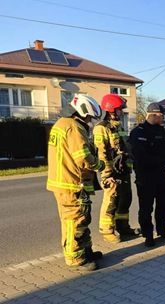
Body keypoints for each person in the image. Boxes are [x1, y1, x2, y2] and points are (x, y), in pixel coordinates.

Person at [46, 94, 105, 271]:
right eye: (89, 117)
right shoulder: (73, 127)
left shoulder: (62, 124)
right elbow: (83, 157)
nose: (90, 121)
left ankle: (85, 250)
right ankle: (75, 257)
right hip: (70, 183)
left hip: (66, 181)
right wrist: (100, 164)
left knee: (82, 217)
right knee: (74, 220)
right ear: (83, 111)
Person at [128, 103, 165, 247]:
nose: (164, 119)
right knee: (146, 207)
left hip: (161, 175)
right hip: (145, 176)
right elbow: (142, 157)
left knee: (163, 204)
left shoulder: (161, 131)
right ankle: (148, 235)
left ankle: (161, 230)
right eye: (162, 116)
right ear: (154, 115)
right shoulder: (138, 132)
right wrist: (164, 159)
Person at [93, 94, 140, 244]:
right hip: (111, 172)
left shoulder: (118, 126)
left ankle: (123, 226)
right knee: (111, 200)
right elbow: (102, 153)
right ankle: (107, 230)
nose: (122, 112)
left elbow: (125, 147)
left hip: (123, 170)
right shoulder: (101, 128)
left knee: (125, 199)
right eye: (120, 109)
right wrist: (107, 175)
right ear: (112, 109)